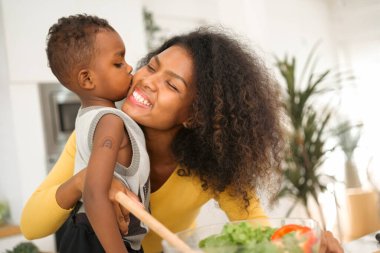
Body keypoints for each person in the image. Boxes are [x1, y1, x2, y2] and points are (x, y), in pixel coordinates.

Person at [21, 27, 343, 253]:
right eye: (152, 66)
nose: (146, 81)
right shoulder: (96, 135)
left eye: (172, 86)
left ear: (195, 115)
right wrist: (84, 181)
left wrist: (302, 243)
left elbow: (254, 226)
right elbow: (31, 224)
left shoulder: (212, 164)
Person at [45, 14, 149, 253]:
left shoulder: (87, 116)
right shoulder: (110, 121)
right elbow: (93, 192)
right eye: (118, 63)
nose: (129, 67)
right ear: (88, 78)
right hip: (100, 240)